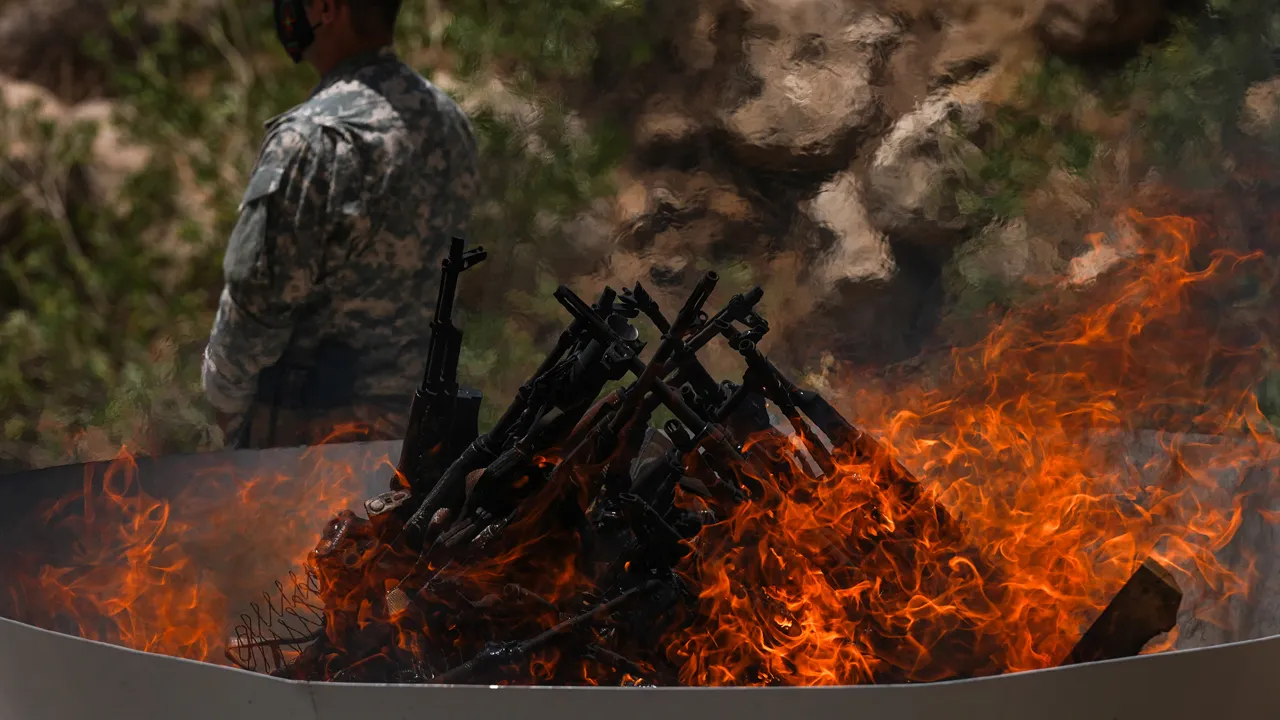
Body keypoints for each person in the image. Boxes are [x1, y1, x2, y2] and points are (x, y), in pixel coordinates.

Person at [201, 0, 479, 448]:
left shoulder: (313, 136)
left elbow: (257, 298)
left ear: (328, 8)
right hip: (414, 437)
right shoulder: (451, 124)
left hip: (309, 449)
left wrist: (225, 398)